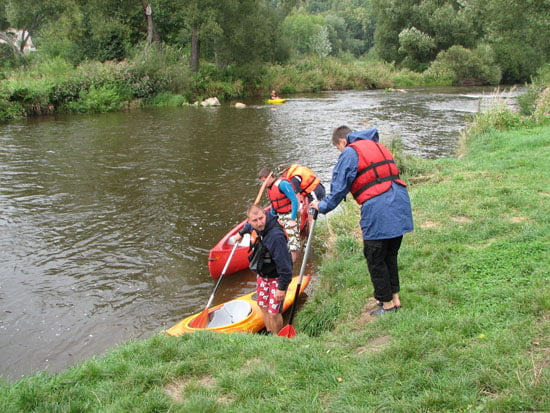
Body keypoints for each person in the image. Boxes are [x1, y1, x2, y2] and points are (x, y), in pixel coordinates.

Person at [310, 126, 413, 316]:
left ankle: (387, 305)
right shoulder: (376, 145)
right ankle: (394, 298)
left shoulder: (350, 151)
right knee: (390, 254)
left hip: (379, 208)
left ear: (342, 141)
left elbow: (339, 187)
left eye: (338, 148)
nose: (340, 152)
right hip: (399, 203)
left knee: (375, 256)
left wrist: (322, 207)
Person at [232, 204, 293, 334]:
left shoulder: (275, 237)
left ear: (265, 215)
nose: (259, 223)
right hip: (263, 275)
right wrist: (240, 233)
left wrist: (281, 288)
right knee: (262, 306)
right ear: (249, 221)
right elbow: (248, 227)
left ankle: (278, 339)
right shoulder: (253, 226)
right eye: (255, 220)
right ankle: (270, 332)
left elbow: (285, 267)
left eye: (261, 218)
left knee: (274, 312)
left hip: (277, 277)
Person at [258, 167, 301, 263]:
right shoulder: (270, 188)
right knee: (278, 238)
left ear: (270, 177)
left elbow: (294, 200)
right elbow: (273, 205)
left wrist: (293, 219)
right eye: (262, 182)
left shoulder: (283, 184)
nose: (263, 184)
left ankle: (293, 266)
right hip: (280, 215)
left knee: (293, 243)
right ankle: (282, 260)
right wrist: (273, 219)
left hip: (290, 214)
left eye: (264, 181)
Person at [281, 164, 326, 231]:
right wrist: (303, 204)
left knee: (311, 216)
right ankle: (307, 227)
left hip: (315, 193)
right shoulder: (296, 171)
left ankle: (311, 237)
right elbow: (302, 192)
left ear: (286, 171)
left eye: (282, 174)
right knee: (308, 210)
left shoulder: (294, 179)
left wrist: (296, 213)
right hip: (315, 190)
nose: (282, 176)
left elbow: (297, 198)